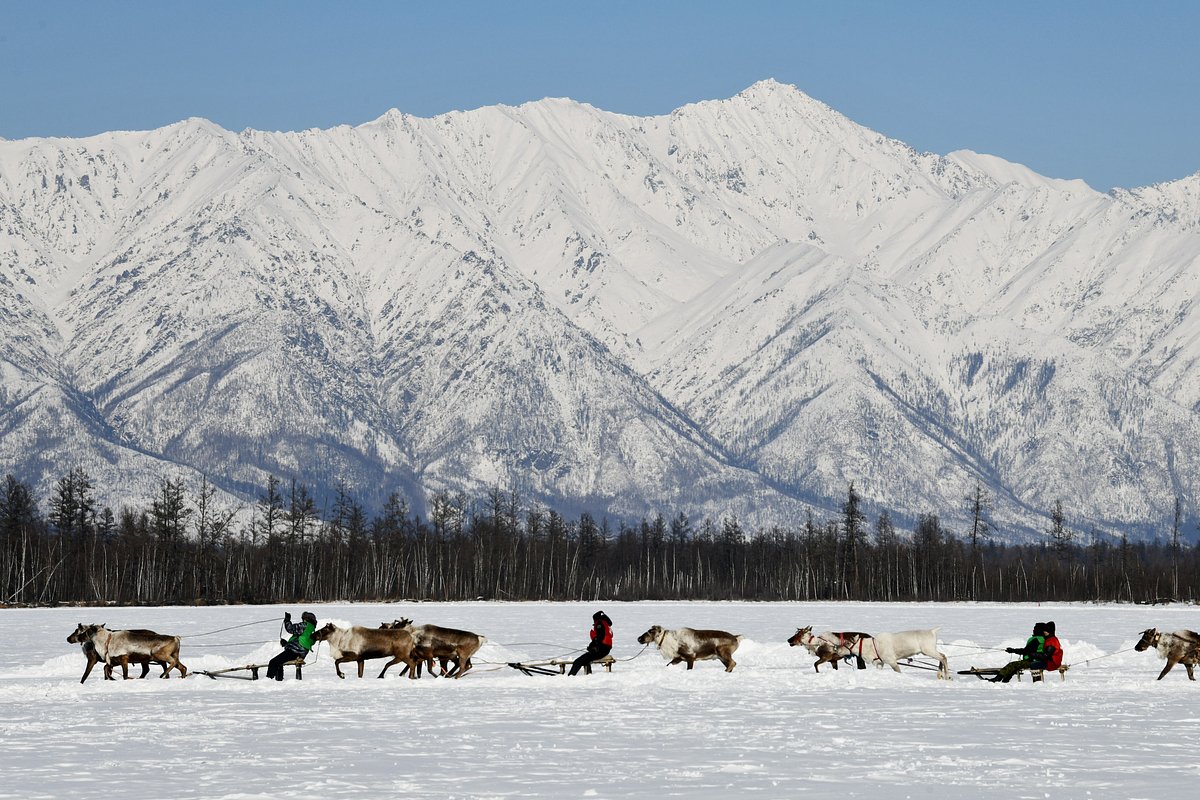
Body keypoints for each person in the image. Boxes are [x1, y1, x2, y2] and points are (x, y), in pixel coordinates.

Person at [266, 610, 317, 681]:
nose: (303, 620)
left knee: (273, 662)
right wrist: (286, 644)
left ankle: (268, 680)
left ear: (307, 619)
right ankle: (278, 681)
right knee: (279, 662)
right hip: (300, 652)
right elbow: (300, 640)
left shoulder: (305, 625)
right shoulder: (311, 629)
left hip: (295, 651)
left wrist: (287, 620)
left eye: (304, 618)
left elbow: (290, 629)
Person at [568, 610, 613, 676]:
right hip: (605, 649)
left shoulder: (599, 623)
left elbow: (599, 638)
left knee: (577, 661)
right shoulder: (606, 624)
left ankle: (570, 677)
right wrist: (592, 647)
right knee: (586, 660)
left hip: (601, 650)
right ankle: (588, 675)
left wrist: (591, 646)